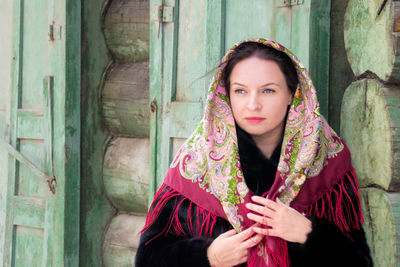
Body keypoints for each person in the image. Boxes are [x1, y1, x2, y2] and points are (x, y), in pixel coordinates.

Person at [135, 38, 372, 267]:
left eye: (268, 91)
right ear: (226, 94)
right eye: (240, 91)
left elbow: (360, 262)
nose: (253, 105)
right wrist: (207, 256)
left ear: (292, 93)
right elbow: (148, 257)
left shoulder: (324, 156)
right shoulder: (197, 160)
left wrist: (309, 233)